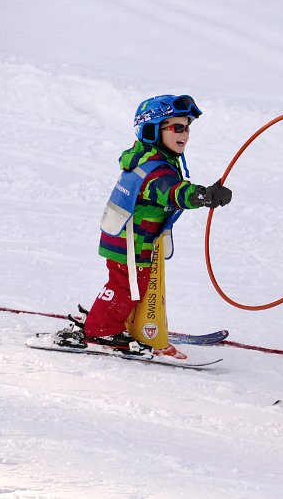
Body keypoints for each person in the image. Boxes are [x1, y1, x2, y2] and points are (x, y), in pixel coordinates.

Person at [57, 95, 232, 355]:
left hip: (132, 239)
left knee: (131, 284)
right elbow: (172, 192)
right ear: (153, 129)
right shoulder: (154, 168)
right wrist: (203, 195)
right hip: (130, 242)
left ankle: (116, 319)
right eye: (177, 127)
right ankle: (101, 328)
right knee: (126, 286)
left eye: (187, 127)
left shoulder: (154, 159)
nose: (185, 133)